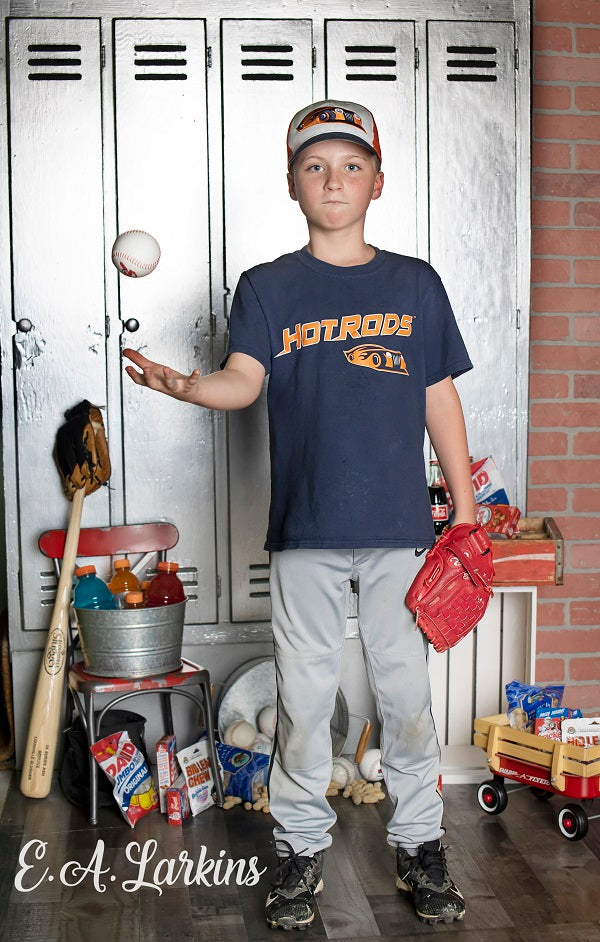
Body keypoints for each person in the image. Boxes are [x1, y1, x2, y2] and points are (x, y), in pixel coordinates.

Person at [123, 99, 476, 930]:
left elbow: (439, 396)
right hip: (307, 532)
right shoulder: (269, 287)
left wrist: (463, 511)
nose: (334, 179)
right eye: (315, 166)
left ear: (379, 182)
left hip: (399, 535)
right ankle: (298, 854)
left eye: (351, 165)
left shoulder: (416, 283)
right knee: (305, 699)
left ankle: (422, 848)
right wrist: (186, 386)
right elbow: (243, 380)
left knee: (407, 699)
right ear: (292, 184)